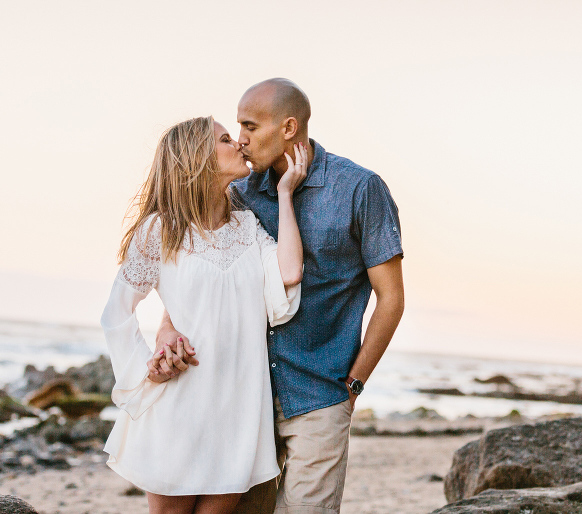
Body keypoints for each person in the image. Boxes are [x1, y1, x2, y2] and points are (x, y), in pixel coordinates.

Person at [154, 78, 406, 514]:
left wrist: (354, 383)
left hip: (320, 395)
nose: (241, 140)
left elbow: (391, 298)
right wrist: (166, 329)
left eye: (250, 126)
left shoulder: (359, 189)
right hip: (244, 395)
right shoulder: (238, 193)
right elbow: (196, 277)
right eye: (236, 129)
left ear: (289, 127)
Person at [101, 116, 309, 514]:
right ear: (198, 159)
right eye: (226, 139)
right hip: (179, 403)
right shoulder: (160, 230)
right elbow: (116, 313)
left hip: (239, 408)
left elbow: (289, 273)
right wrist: (149, 367)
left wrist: (286, 195)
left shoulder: (248, 227)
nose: (240, 144)